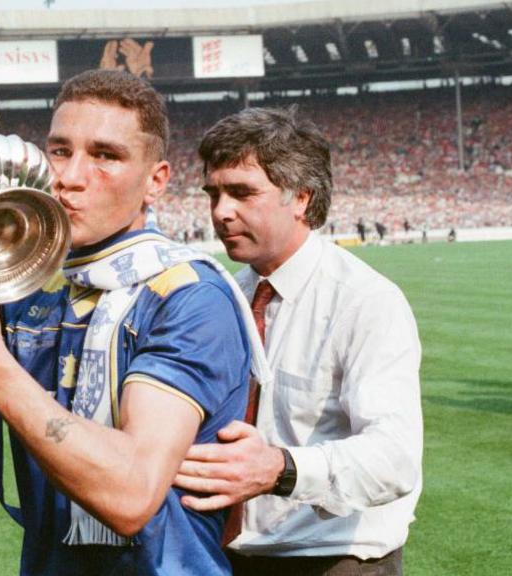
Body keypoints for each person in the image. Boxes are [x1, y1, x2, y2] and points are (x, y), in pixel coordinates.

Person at [0, 68, 255, 575]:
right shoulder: (23, 291)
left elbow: (132, 494)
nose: (69, 176)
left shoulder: (189, 296)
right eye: (60, 150)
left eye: (105, 155)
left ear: (156, 182)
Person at [174, 106, 423, 575]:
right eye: (214, 193)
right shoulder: (227, 294)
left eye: (242, 193)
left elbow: (395, 459)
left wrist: (279, 469)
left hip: (332, 562)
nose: (221, 211)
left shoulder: (365, 301)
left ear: (301, 198)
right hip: (226, 557)